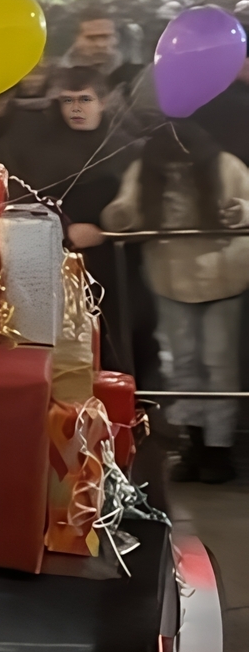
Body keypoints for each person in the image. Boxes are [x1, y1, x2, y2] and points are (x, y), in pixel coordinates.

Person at [101, 120, 249, 484]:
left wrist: (240, 211)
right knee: (181, 365)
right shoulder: (144, 171)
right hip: (170, 277)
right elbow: (125, 210)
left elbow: (247, 202)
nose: (179, 173)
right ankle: (192, 442)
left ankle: (218, 449)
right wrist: (119, 216)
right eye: (170, 168)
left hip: (224, 277)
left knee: (218, 364)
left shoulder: (227, 166)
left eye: (186, 166)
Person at [7, 67, 151, 382]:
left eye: (85, 99)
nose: (76, 108)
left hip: (122, 261)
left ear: (103, 102)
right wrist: (64, 228)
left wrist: (114, 230)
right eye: (67, 101)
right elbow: (25, 198)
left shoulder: (127, 146)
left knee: (131, 335)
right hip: (64, 261)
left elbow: (147, 201)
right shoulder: (42, 149)